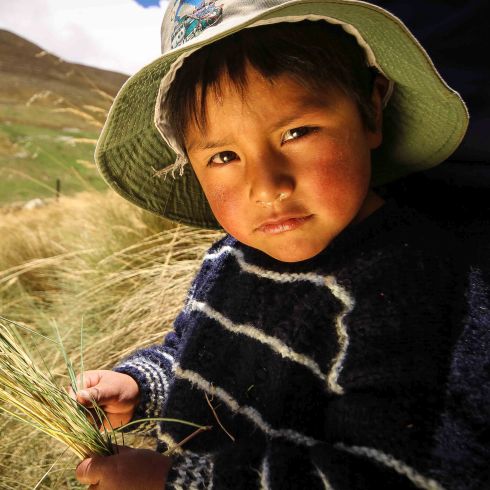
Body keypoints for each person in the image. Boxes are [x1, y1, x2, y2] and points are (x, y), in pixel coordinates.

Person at [72, 1, 489, 489]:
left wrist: (178, 481)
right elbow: (191, 353)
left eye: (297, 132)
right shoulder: (230, 255)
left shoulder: (416, 285)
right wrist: (142, 385)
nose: (268, 187)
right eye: (224, 155)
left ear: (372, 110)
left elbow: (402, 473)